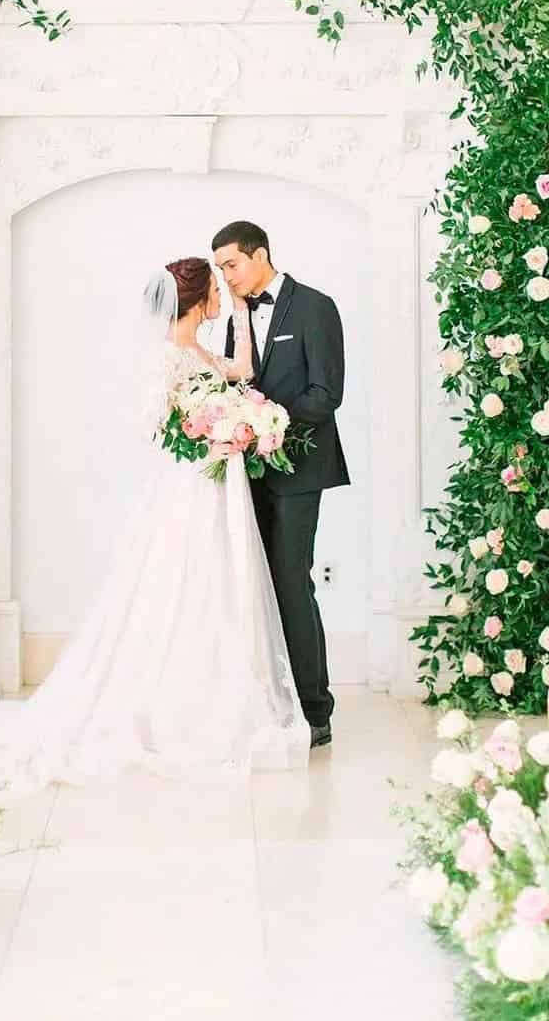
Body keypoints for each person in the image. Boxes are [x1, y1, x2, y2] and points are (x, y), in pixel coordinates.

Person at [0, 256, 309, 790]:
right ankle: (177, 708)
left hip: (219, 486)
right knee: (183, 584)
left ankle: (222, 694)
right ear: (198, 298)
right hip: (193, 487)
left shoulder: (198, 346)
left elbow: (240, 374)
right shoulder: (166, 356)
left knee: (222, 585)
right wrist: (212, 436)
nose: (224, 294)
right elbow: (159, 428)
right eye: (219, 289)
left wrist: (242, 328)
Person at [212, 221, 349, 748]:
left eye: (231, 264)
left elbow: (326, 393)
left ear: (260, 255)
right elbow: (238, 385)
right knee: (253, 587)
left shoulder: (316, 306)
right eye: (221, 268)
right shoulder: (235, 319)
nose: (226, 277)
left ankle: (316, 711)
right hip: (247, 473)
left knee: (292, 582)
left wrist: (270, 423)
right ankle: (270, 704)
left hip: (300, 470)